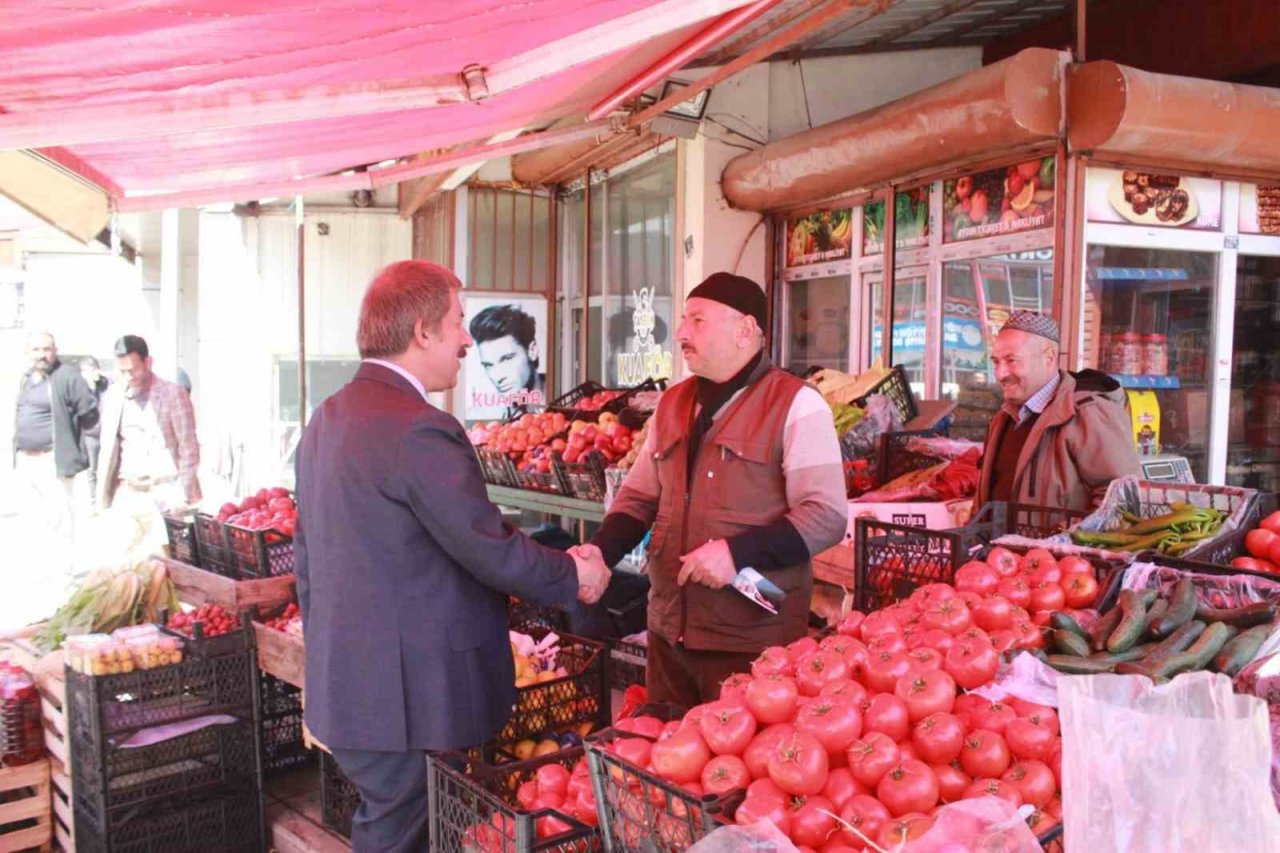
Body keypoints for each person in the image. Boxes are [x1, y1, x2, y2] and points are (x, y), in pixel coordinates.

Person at [293, 260, 610, 853]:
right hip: (408, 704)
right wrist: (575, 575)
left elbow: (307, 561)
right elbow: (486, 547)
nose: (468, 339)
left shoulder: (327, 418)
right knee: (399, 837)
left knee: (397, 828)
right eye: (459, 322)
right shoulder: (418, 427)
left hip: (357, 691)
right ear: (423, 332)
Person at [581, 272, 848, 708]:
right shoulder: (672, 403)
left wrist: (736, 554)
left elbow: (826, 517)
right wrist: (600, 552)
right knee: (666, 761)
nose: (682, 332)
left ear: (746, 330)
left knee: (735, 771)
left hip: (752, 643)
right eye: (684, 319)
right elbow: (639, 497)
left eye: (698, 320)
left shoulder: (797, 404)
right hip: (669, 633)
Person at [974, 311, 1140, 512]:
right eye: (996, 362)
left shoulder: (1087, 412)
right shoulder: (1004, 418)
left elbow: (1122, 499)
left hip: (1055, 544)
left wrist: (1063, 541)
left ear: (1049, 358)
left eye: (1012, 361)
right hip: (999, 544)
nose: (1000, 374)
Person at [96, 335, 202, 550]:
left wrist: (183, 494)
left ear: (148, 362)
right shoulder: (114, 396)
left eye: (133, 369)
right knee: (123, 566)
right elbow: (108, 448)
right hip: (128, 491)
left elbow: (188, 448)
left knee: (165, 566)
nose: (128, 376)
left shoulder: (173, 394)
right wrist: (102, 496)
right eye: (122, 371)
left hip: (165, 492)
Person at [11, 331, 99, 542]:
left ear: (55, 351)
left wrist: (76, 450)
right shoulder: (27, 379)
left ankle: (64, 573)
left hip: (52, 459)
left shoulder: (67, 376)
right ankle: (44, 569)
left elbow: (90, 414)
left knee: (59, 518)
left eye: (47, 349)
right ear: (27, 352)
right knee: (35, 518)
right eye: (36, 349)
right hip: (25, 459)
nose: (42, 354)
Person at [468, 303, 546, 406]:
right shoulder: (492, 414)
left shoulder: (561, 395)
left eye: (506, 359)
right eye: (488, 365)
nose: (498, 377)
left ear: (532, 351)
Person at [79, 356, 109, 508]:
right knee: (93, 469)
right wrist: (89, 387)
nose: (97, 372)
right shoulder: (82, 387)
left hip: (106, 432)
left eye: (97, 369)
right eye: (93, 369)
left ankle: (104, 497)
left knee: (106, 466)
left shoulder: (105, 384)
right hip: (90, 433)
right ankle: (93, 499)